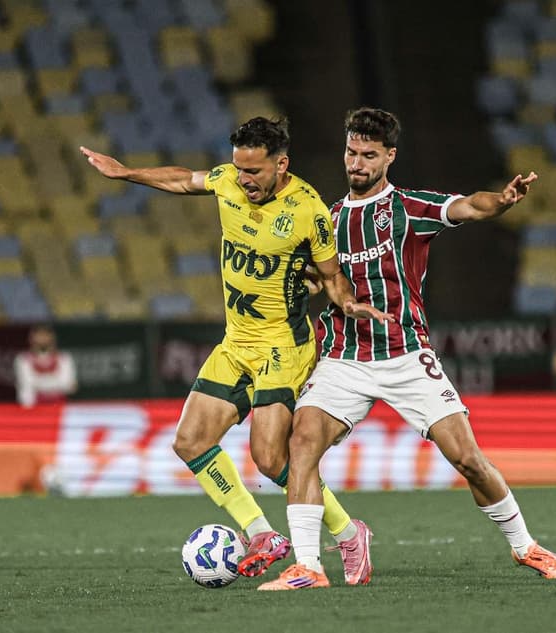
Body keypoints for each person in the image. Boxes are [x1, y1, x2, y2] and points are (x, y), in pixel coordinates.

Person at [258, 107, 556, 590]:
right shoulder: (328, 219)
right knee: (302, 443)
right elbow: (318, 276)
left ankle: (525, 546)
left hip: (406, 354)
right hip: (345, 356)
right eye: (351, 152)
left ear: (390, 156)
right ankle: (308, 566)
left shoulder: (408, 208)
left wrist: (502, 200)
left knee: (467, 459)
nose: (357, 163)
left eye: (369, 155)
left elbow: (468, 207)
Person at [80, 117, 392, 577]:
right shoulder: (227, 181)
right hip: (237, 342)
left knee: (270, 459)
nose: (243, 179)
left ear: (280, 165)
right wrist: (125, 172)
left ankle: (348, 534)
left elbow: (330, 275)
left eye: (254, 171)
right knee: (190, 441)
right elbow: (183, 180)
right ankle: (260, 531)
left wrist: (347, 302)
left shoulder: (308, 210)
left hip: (282, 347)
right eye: (239, 169)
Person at [13, 324, 78, 408]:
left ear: (52, 337)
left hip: (59, 408)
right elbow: (26, 384)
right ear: (31, 338)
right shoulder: (22, 359)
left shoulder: (64, 358)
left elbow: (69, 386)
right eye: (39, 335)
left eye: (46, 335)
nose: (42, 338)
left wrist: (37, 383)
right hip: (31, 408)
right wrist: (56, 382)